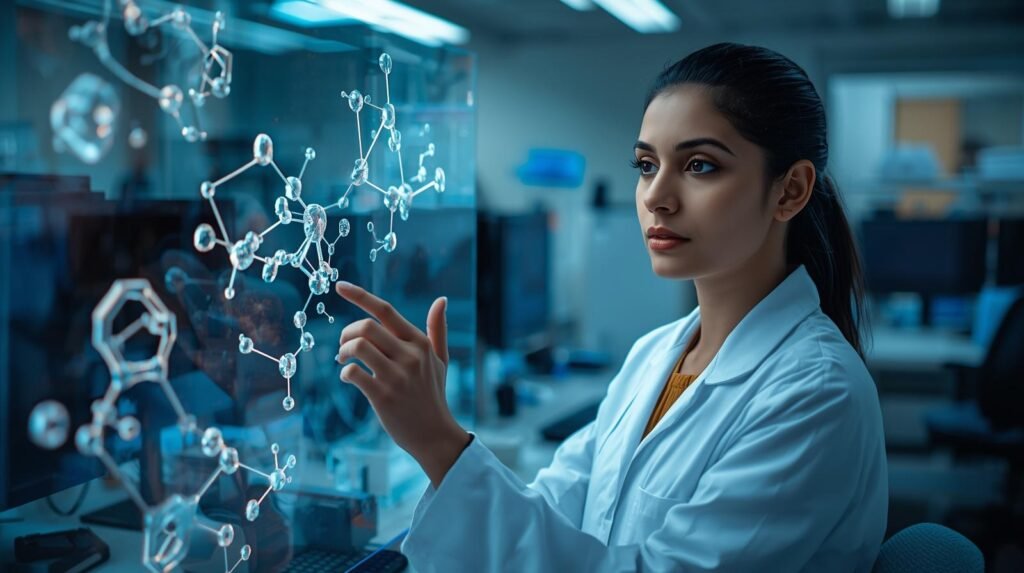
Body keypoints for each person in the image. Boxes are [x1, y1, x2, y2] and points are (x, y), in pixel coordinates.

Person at [332, 42, 888, 572]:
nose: (656, 197)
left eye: (700, 166)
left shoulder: (816, 393)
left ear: (789, 191)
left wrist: (437, 440)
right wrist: (437, 439)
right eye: (647, 165)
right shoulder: (654, 356)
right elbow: (549, 512)